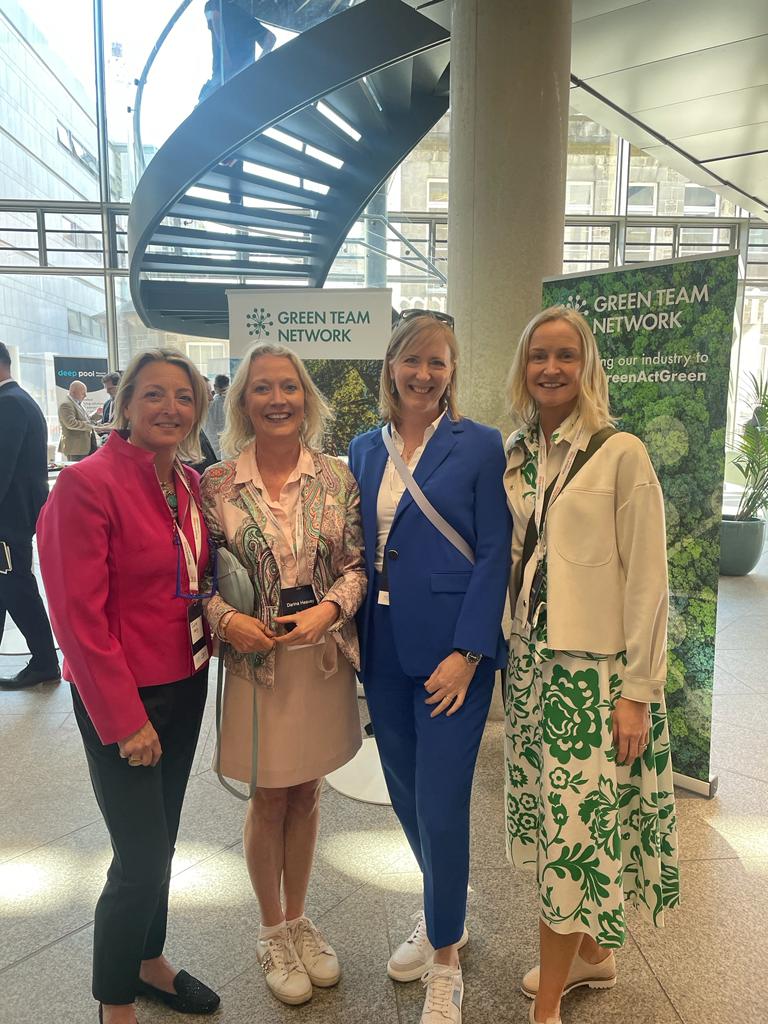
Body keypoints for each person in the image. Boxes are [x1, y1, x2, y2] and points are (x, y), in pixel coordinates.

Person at [502, 306, 679, 1024]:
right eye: (538, 355)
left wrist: (638, 690)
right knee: (560, 821)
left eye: (565, 355)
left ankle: (547, 1003)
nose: (550, 368)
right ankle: (596, 956)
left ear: (587, 366)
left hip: (591, 676)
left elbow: (649, 582)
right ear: (523, 367)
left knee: (572, 836)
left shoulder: (621, 453)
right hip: (531, 666)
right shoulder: (517, 452)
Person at [37, 349, 220, 1024]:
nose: (170, 407)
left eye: (184, 396)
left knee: (162, 839)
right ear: (126, 404)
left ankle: (148, 959)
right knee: (140, 857)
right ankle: (115, 1002)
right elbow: (77, 620)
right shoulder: (85, 485)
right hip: (124, 697)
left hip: (185, 681)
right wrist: (123, 717)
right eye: (154, 394)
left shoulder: (189, 485)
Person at [348, 310, 511, 1024]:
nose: (423, 374)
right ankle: (447, 910)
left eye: (437, 362)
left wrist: (470, 652)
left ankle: (445, 959)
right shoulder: (363, 448)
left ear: (452, 372)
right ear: (391, 366)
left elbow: (495, 554)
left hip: (453, 653)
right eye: (411, 360)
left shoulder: (479, 445)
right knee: (408, 796)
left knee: (442, 802)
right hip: (382, 647)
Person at [201, 342, 365, 1007]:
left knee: (308, 793)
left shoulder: (337, 477)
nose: (277, 399)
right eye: (263, 387)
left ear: (306, 398)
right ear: (243, 401)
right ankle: (271, 930)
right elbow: (194, 580)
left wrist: (329, 610)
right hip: (256, 663)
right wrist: (225, 620)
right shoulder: (216, 484)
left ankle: (299, 918)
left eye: (289, 387)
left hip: (319, 659)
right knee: (269, 796)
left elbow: (356, 567)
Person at [0, 342, 59, 689]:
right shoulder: (18, 400)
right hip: (16, 513)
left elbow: (2, 468)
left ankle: (45, 661)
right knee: (7, 586)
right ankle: (44, 660)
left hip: (8, 518)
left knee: (17, 586)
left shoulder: (9, 404)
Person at [198, 0, 276, 103]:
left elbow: (215, 17)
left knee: (207, 107)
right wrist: (255, 67)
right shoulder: (245, 14)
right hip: (244, 79)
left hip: (223, 75)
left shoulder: (216, 4)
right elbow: (270, 39)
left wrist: (225, 56)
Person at [58, 379, 98, 461]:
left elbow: (85, 420)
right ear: (73, 392)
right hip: (75, 449)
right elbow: (70, 423)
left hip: (84, 447)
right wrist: (91, 426)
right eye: (83, 393)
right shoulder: (66, 404)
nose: (85, 395)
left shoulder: (77, 403)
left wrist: (97, 414)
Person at [206, 373, 229, 458]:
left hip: (212, 445)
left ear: (215, 386)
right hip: (227, 446)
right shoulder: (232, 402)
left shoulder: (210, 404)